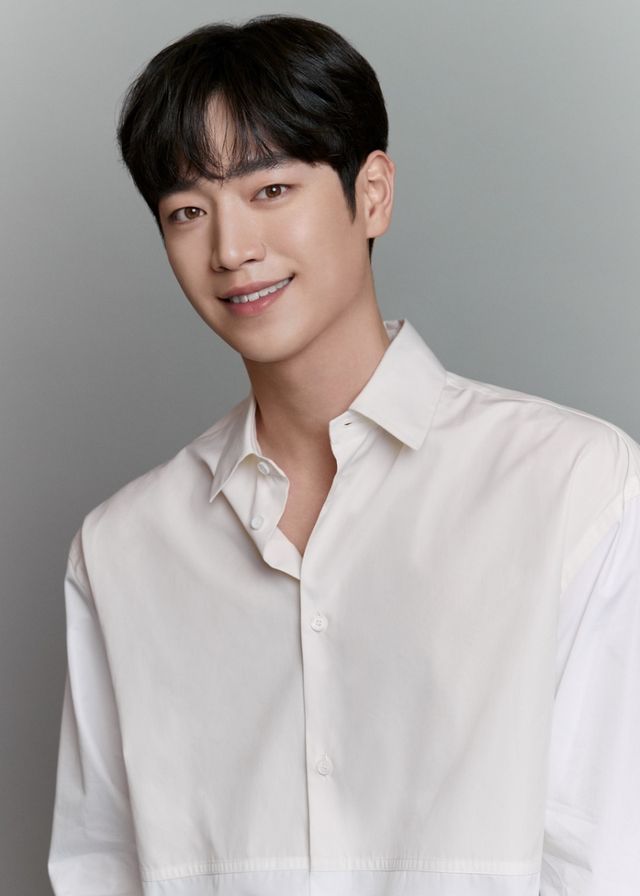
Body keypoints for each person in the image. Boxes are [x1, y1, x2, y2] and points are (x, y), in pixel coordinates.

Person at [48, 14, 640, 896]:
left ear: (373, 194)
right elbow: (101, 870)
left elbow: (609, 856)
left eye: (271, 190)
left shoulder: (573, 487)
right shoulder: (122, 550)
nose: (231, 249)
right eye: (187, 211)